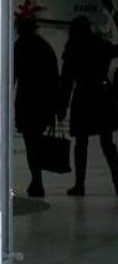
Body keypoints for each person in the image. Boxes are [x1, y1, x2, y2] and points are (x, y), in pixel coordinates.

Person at [60, 14, 118, 196]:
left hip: (82, 98)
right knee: (107, 142)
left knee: (81, 144)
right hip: (103, 97)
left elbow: (66, 82)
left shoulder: (72, 52)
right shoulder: (102, 47)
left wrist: (61, 107)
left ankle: (79, 184)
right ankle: (117, 182)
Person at [13, 15, 63, 197]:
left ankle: (36, 180)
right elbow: (54, 78)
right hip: (44, 103)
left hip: (26, 101)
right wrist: (58, 106)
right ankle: (37, 180)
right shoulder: (44, 47)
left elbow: (12, 76)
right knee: (37, 142)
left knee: (30, 143)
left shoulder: (19, 47)